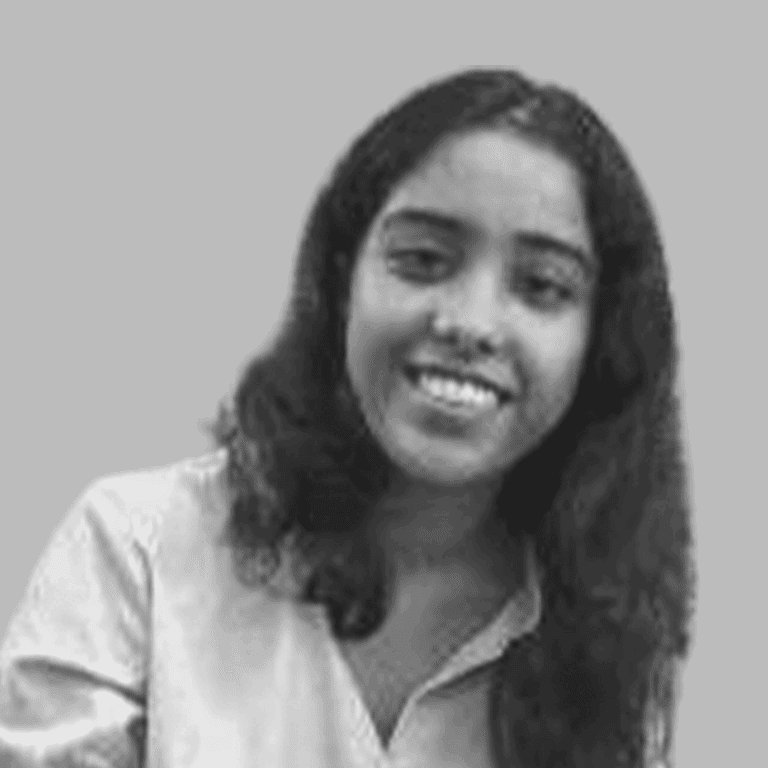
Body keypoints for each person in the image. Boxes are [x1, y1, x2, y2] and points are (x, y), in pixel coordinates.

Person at [0, 67, 696, 767]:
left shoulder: (604, 632)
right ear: (340, 283)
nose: (470, 323)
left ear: (602, 342)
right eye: (422, 260)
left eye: (542, 286)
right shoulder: (139, 548)